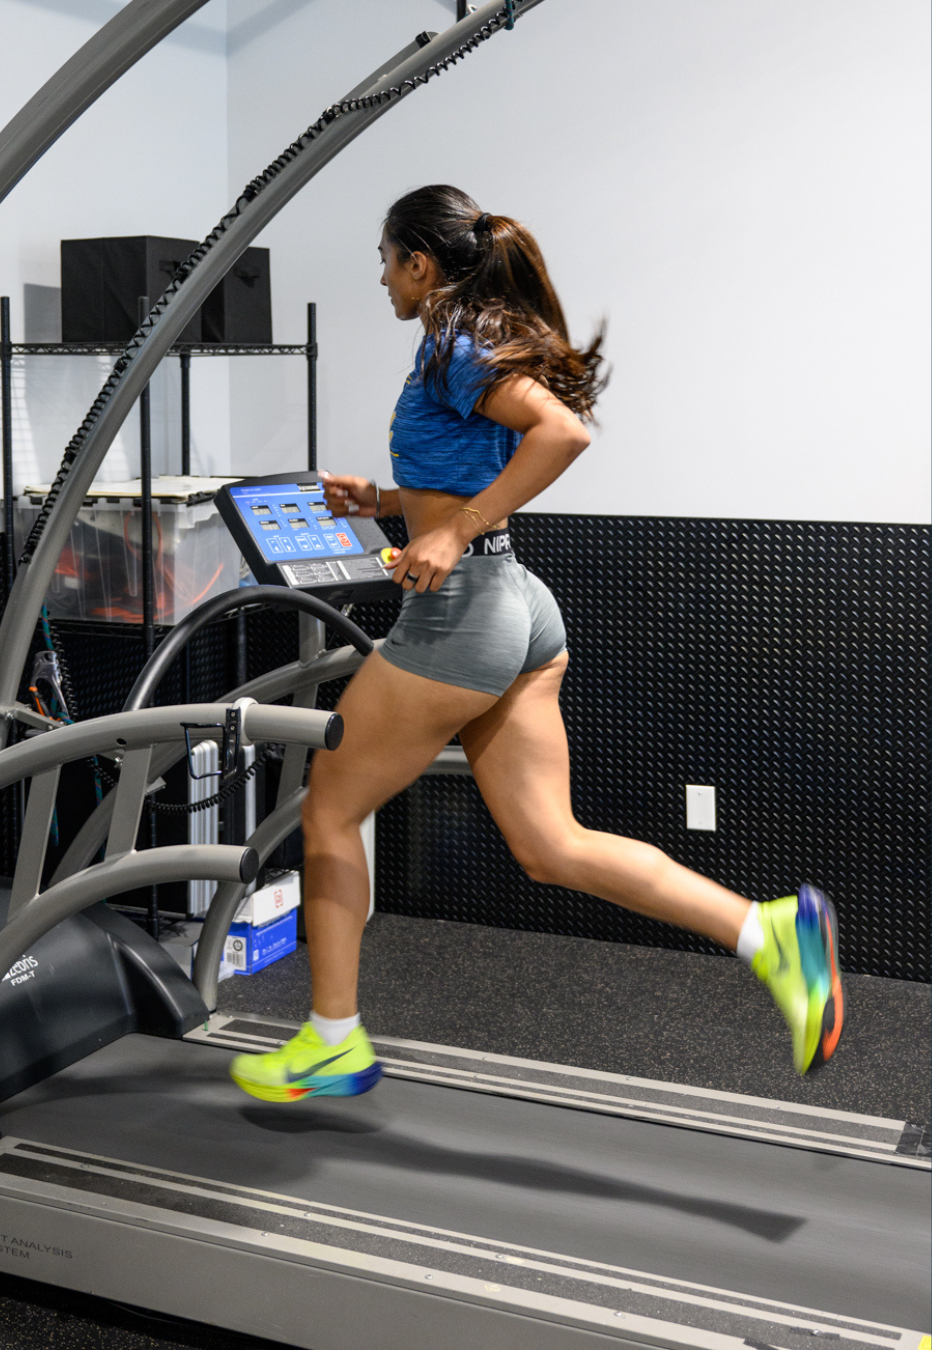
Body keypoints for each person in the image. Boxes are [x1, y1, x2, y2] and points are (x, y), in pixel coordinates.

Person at [229, 184, 843, 1102]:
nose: (383, 280)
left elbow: (562, 433)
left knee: (328, 812)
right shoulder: (470, 341)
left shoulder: (454, 341)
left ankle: (331, 1039)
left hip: (463, 617)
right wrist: (388, 506)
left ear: (420, 264)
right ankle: (769, 935)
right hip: (517, 605)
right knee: (551, 845)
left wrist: (450, 530)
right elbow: (473, 463)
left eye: (386, 260)